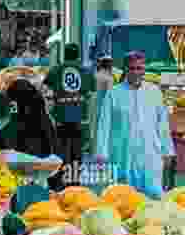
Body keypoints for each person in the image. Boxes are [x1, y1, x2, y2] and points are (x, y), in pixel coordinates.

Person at [96, 51, 175, 198]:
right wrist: (101, 153)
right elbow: (104, 124)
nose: (136, 72)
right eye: (132, 68)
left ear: (144, 69)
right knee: (123, 199)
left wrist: (167, 151)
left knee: (154, 198)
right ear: (125, 70)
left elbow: (162, 124)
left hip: (150, 156)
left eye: (139, 68)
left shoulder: (154, 92)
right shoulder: (114, 93)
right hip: (122, 155)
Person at [42, 43, 95, 178]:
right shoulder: (86, 71)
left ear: (64, 54)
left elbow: (45, 89)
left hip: (60, 116)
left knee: (61, 149)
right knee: (77, 151)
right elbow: (91, 93)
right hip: (79, 117)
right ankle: (75, 180)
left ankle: (61, 178)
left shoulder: (56, 70)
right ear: (78, 55)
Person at [89, 55, 115, 155]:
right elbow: (110, 94)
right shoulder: (108, 78)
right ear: (109, 65)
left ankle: (93, 151)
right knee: (103, 129)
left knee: (93, 128)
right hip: (103, 105)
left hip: (93, 104)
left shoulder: (95, 75)